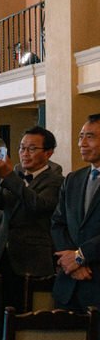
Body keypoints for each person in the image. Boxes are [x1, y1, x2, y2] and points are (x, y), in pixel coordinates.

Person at [0, 126, 62, 309]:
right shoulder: (16, 175)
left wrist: (8, 176)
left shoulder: (55, 180)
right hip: (2, 254)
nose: (24, 153)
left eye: (32, 149)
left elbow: (37, 205)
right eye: (21, 148)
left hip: (32, 260)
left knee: (25, 315)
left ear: (48, 153)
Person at [52, 115, 100, 313]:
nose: (82, 143)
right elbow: (57, 223)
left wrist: (81, 256)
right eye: (81, 137)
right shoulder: (73, 179)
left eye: (90, 137)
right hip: (69, 285)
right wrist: (72, 262)